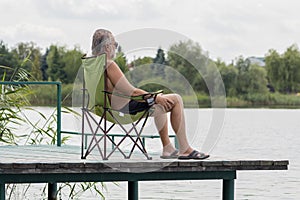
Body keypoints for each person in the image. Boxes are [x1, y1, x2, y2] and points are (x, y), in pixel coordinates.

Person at [91, 29, 209, 160]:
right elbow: (131, 92)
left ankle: (168, 148)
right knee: (176, 99)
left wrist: (156, 99)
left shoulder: (92, 64)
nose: (115, 48)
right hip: (126, 108)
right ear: (107, 46)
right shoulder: (109, 64)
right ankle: (185, 149)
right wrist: (155, 97)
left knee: (160, 103)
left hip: (107, 108)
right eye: (115, 44)